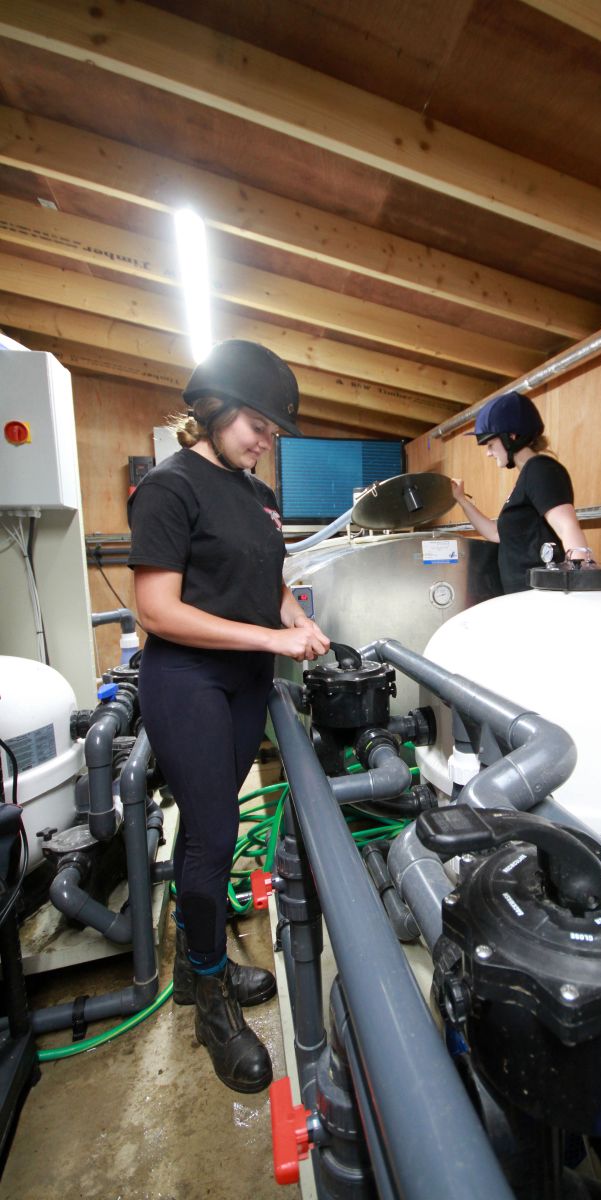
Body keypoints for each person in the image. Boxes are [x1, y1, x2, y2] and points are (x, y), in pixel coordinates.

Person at [127, 339, 330, 1094]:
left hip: (245, 681)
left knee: (209, 831)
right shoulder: (169, 487)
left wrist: (295, 619)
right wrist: (273, 639)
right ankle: (212, 1003)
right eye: (257, 424)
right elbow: (156, 609)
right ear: (212, 411)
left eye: (273, 431)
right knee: (212, 836)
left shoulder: (257, 495)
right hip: (188, 679)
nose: (265, 440)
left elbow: (267, 580)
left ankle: (195, 966)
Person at [451, 390, 591, 594]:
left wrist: (581, 585)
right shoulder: (527, 476)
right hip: (523, 595)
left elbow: (566, 526)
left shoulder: (541, 470)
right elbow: (496, 534)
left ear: (512, 436)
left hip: (539, 596)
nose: (488, 453)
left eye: (490, 444)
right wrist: (461, 499)